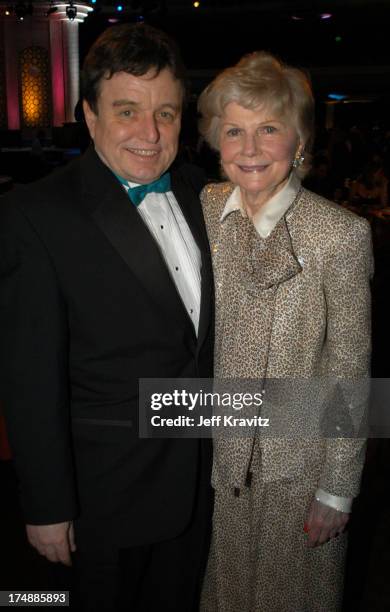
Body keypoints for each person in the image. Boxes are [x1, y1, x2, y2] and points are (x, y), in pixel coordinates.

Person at [0, 23, 214, 612]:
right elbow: (29, 379)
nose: (150, 133)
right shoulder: (36, 215)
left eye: (166, 113)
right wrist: (46, 505)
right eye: (127, 111)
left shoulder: (205, 194)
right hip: (104, 498)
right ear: (89, 115)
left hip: (203, 484)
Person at [197, 51, 372, 611]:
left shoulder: (338, 235)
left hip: (299, 472)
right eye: (234, 131)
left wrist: (337, 489)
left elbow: (350, 369)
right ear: (215, 142)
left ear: (299, 142)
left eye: (268, 129)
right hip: (219, 465)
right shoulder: (206, 209)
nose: (249, 149)